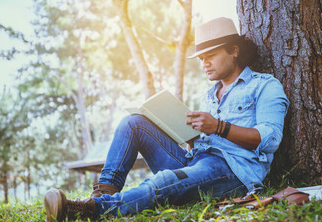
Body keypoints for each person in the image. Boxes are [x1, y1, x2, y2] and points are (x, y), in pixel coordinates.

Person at [44, 17, 289, 221]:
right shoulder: (210, 95)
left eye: (210, 56)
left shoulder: (264, 86)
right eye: (201, 59)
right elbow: (206, 140)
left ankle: (91, 211)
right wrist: (191, 136)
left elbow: (269, 140)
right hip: (197, 161)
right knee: (134, 123)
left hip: (232, 171)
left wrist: (218, 127)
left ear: (234, 51)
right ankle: (101, 194)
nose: (204, 64)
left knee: (163, 181)